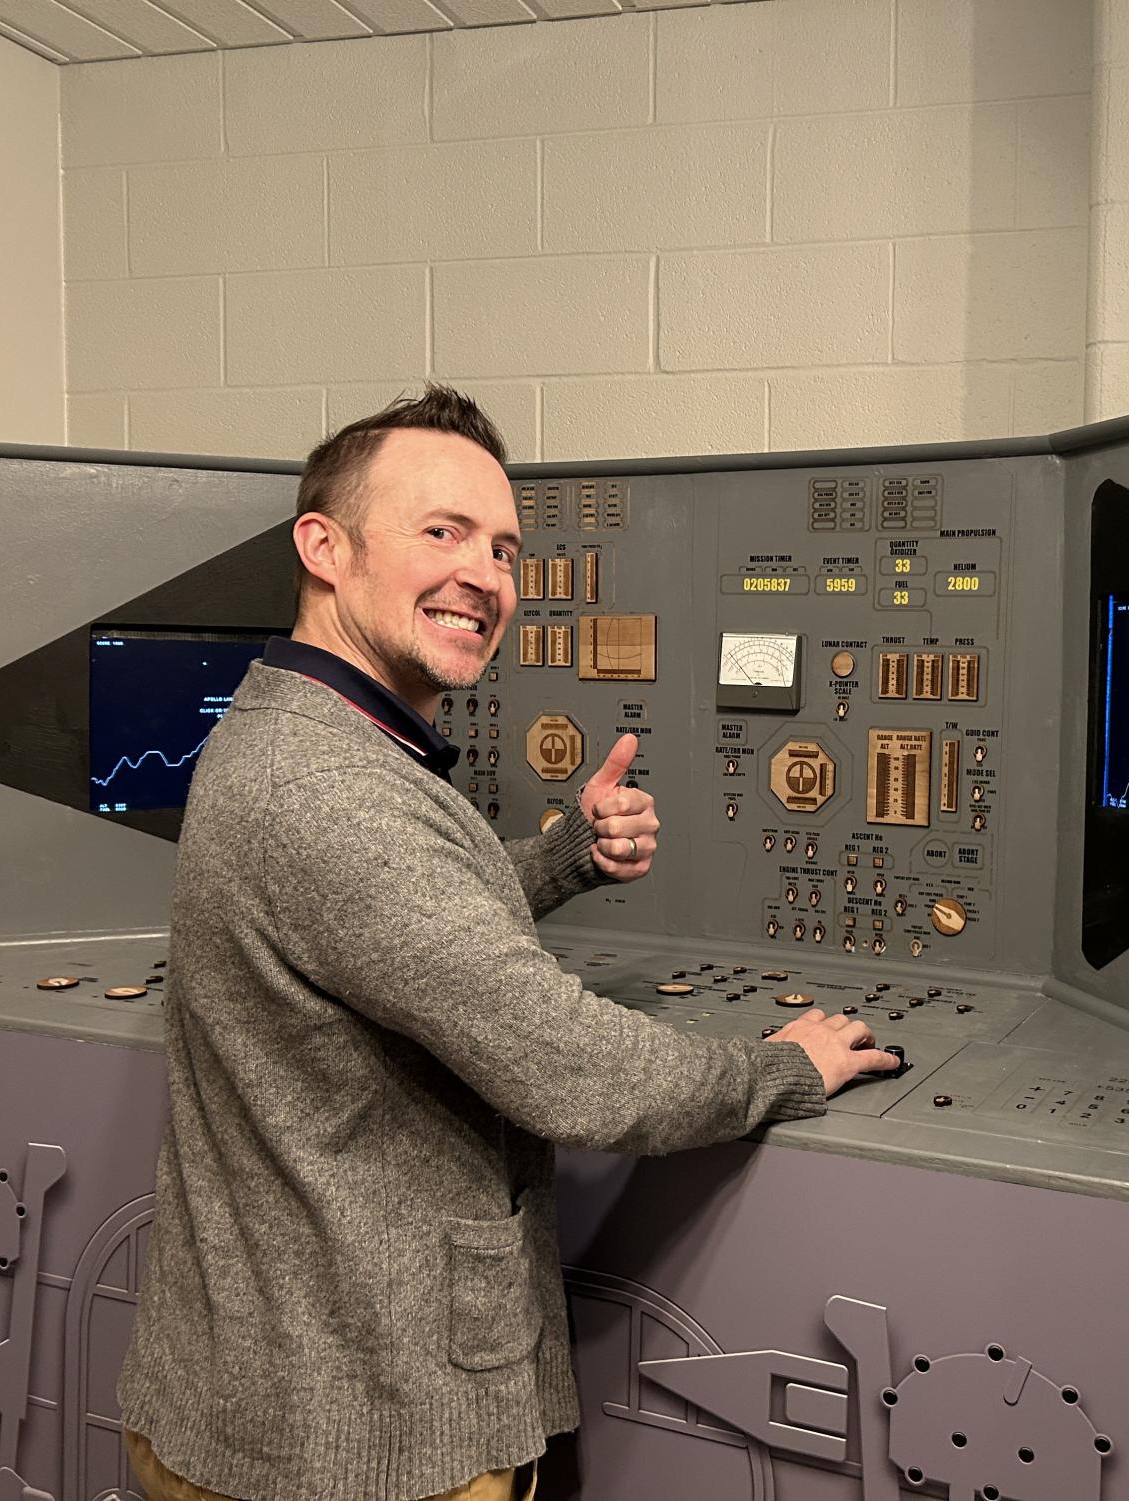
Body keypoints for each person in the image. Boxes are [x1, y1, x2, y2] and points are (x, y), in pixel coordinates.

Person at [116, 386, 899, 1501]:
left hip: (276, 1399)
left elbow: (387, 925)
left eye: (503, 548)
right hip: (356, 1445)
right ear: (324, 547)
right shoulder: (331, 789)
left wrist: (563, 853)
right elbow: (579, 1074)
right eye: (441, 532)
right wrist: (782, 1066)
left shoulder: (296, 725)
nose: (485, 575)